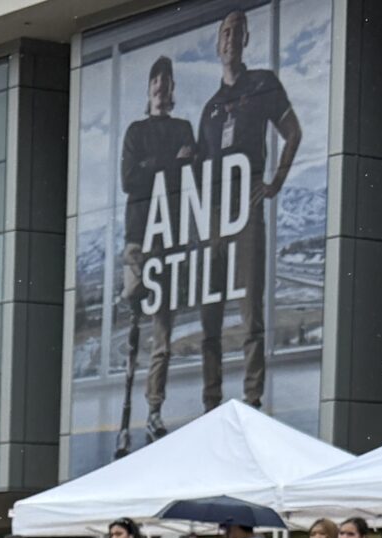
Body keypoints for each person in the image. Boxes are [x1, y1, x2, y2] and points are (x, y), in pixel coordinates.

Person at [193, 8, 301, 413]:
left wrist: (275, 182)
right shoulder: (210, 107)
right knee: (209, 316)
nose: (230, 39)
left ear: (246, 41)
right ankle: (211, 401)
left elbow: (293, 133)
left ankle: (252, 399)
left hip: (246, 210)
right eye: (224, 32)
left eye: (237, 32)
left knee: (249, 311)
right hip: (213, 216)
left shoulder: (262, 84)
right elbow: (201, 166)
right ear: (217, 43)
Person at [118, 56, 195, 448]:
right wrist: (166, 163)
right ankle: (128, 409)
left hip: (169, 239)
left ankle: (153, 409)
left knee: (161, 336)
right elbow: (129, 180)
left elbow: (191, 171)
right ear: (149, 89)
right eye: (157, 84)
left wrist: (153, 167)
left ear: (172, 90)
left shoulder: (184, 128)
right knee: (134, 317)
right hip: (138, 238)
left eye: (167, 84)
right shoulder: (135, 131)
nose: (162, 90)